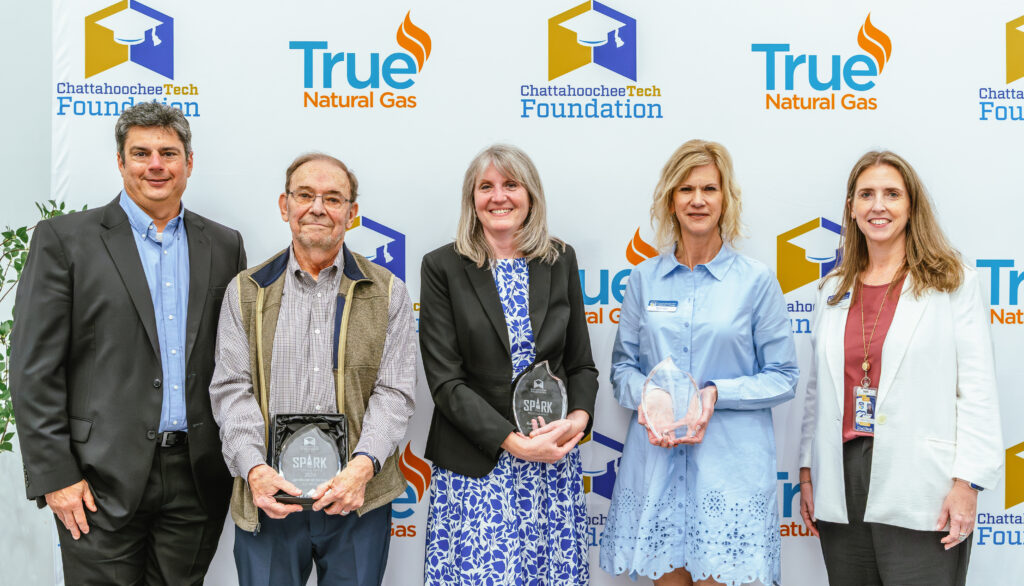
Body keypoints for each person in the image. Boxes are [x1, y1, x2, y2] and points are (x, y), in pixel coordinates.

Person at [9, 102, 246, 583]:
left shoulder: (224, 245)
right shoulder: (65, 240)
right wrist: (56, 476)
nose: (155, 165)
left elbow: (233, 360)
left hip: (196, 479)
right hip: (95, 480)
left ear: (189, 162)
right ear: (120, 162)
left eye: (168, 153)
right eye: (141, 153)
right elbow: (33, 369)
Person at [209, 152, 416, 586]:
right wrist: (254, 469)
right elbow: (232, 390)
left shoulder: (388, 292)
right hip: (271, 499)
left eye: (333, 198)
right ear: (284, 205)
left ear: (351, 213)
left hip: (357, 500)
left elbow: (394, 392)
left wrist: (363, 467)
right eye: (305, 195)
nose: (317, 208)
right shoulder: (246, 291)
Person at [798, 151, 1002, 586]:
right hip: (842, 476)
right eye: (866, 194)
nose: (879, 206)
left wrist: (967, 483)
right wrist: (807, 471)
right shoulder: (832, 290)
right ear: (851, 208)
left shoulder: (953, 283)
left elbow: (977, 390)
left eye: (892, 194)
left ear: (911, 206)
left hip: (922, 481)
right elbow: (818, 391)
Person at [600, 139, 799, 586]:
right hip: (657, 468)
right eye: (686, 189)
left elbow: (784, 377)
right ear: (670, 198)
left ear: (725, 198)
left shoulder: (756, 281)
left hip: (728, 474)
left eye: (709, 188)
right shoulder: (643, 279)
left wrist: (715, 393)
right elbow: (622, 369)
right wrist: (650, 397)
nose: (697, 200)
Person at [418, 144, 599, 585]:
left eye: (511, 185)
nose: (498, 197)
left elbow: (580, 365)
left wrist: (576, 422)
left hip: (550, 468)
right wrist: (514, 444)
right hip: (477, 467)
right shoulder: (442, 266)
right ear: (472, 199)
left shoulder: (560, 258)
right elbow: (446, 383)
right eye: (486, 187)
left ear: (530, 195)